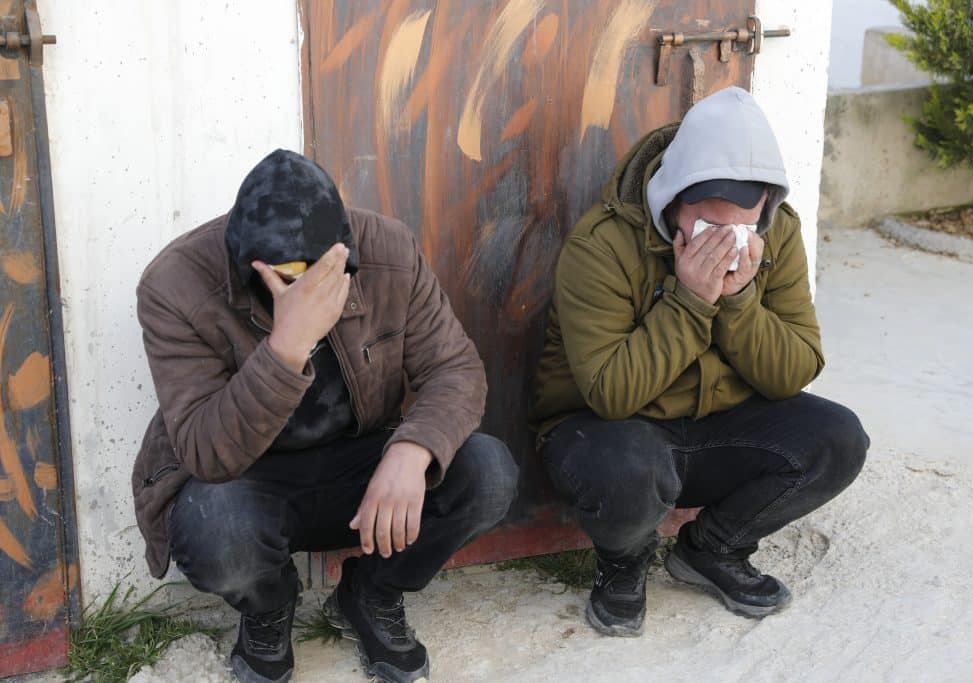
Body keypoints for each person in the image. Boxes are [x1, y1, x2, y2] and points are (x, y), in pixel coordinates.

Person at [131, 150, 518, 682]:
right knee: (215, 531)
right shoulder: (174, 283)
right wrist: (288, 344)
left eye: (323, 273)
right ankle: (268, 609)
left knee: (488, 473)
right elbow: (204, 449)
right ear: (248, 263)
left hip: (359, 466)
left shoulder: (387, 250)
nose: (308, 288)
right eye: (287, 278)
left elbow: (456, 369)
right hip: (245, 480)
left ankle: (371, 593)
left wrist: (414, 450)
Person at [530, 87, 869, 637]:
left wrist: (738, 301)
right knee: (629, 467)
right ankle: (623, 563)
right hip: (612, 431)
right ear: (672, 199)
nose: (727, 244)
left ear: (765, 205)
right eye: (710, 228)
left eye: (742, 227)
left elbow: (796, 369)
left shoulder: (777, 232)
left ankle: (713, 550)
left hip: (715, 427)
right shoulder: (601, 246)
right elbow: (611, 392)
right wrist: (690, 301)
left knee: (839, 439)